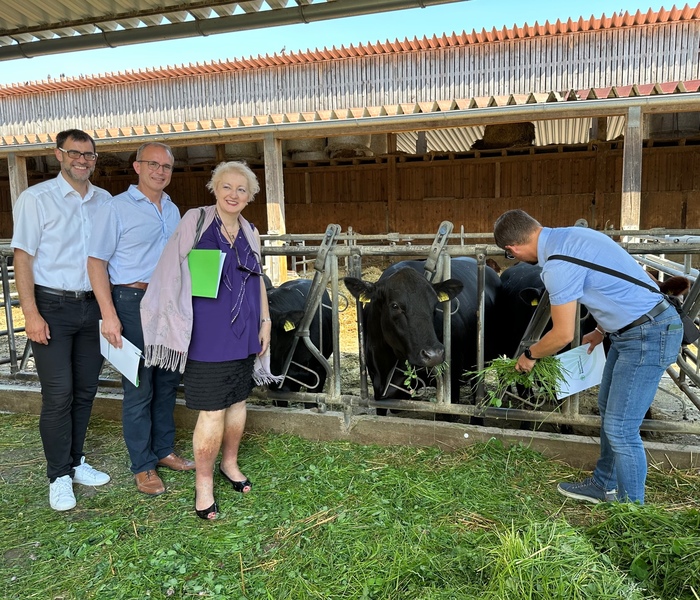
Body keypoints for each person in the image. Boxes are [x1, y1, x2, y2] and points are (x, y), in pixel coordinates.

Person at [493, 209, 683, 504]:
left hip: (646, 335)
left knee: (621, 429)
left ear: (512, 249)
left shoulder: (556, 266)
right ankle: (603, 484)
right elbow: (613, 286)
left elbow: (562, 335)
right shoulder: (575, 236)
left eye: (511, 257)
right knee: (610, 413)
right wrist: (600, 329)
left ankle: (633, 512)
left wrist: (529, 355)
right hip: (633, 330)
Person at [140, 161, 282, 520]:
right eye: (226, 187)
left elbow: (257, 280)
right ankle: (203, 483)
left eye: (241, 190)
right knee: (212, 409)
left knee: (238, 401)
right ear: (214, 189)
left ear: (249, 197)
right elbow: (170, 269)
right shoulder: (196, 221)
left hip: (244, 331)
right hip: (205, 332)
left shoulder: (250, 230)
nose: (233, 195)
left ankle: (229, 464)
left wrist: (265, 321)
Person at [11, 129, 112, 511]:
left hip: (92, 307)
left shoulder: (104, 201)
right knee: (58, 395)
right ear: (59, 154)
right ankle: (58, 475)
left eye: (89, 155)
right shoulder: (36, 199)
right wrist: (31, 313)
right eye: (75, 153)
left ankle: (74, 461)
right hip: (51, 307)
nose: (83, 160)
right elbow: (23, 258)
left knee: (86, 390)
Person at [87, 142, 195, 497]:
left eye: (167, 166)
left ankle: (163, 450)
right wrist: (109, 314)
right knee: (139, 386)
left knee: (166, 381)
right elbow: (96, 263)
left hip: (166, 300)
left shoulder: (173, 209)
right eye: (153, 164)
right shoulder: (115, 208)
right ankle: (143, 466)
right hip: (131, 300)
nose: (160, 171)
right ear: (137, 167)